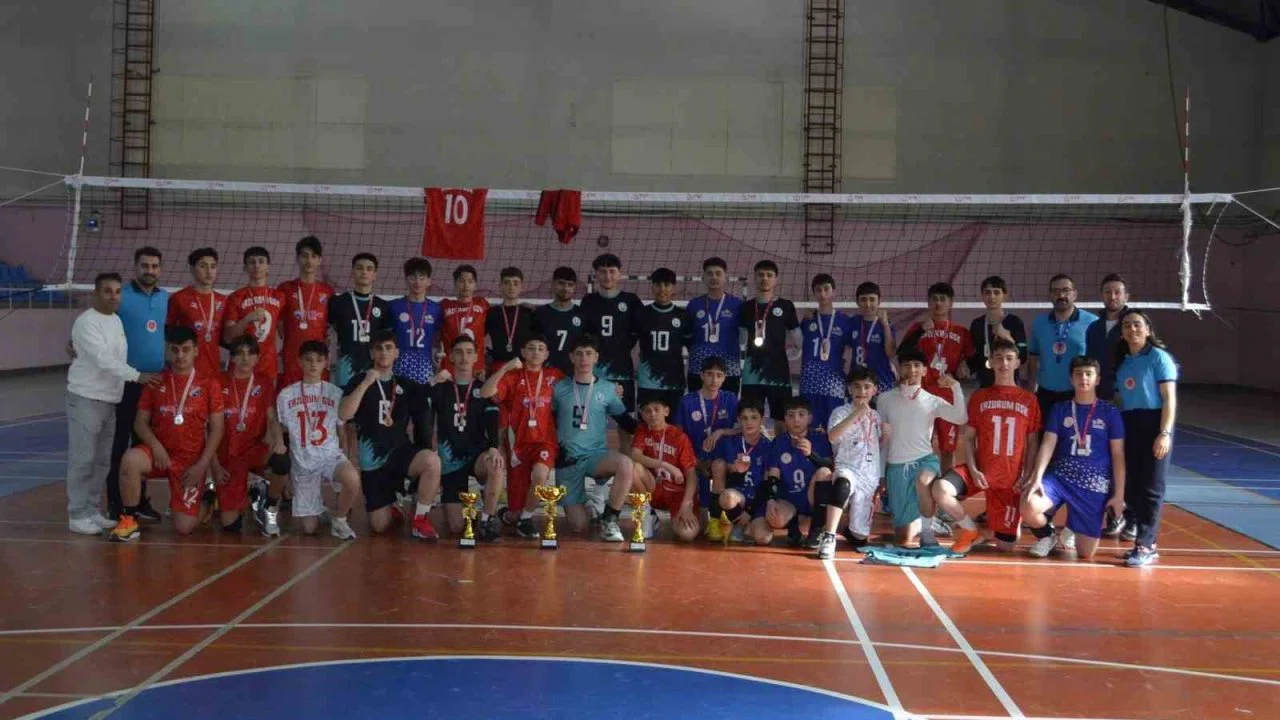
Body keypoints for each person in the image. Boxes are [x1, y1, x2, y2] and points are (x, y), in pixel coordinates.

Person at [110, 326, 224, 541]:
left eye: (186, 350)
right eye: (175, 350)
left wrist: (202, 466)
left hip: (190, 461)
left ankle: (207, 498)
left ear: (196, 351)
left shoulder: (209, 384)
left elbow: (217, 429)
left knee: (184, 527)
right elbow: (140, 423)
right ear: (167, 351)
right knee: (130, 460)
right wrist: (156, 447)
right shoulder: (156, 382)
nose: (180, 356)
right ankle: (129, 521)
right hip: (160, 454)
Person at [66, 273, 156, 535]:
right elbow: (103, 359)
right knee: (83, 459)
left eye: (117, 291)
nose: (113, 296)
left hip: (110, 400)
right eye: (107, 291)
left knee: (102, 460)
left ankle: (92, 509)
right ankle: (77, 513)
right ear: (96, 293)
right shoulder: (86, 322)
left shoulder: (116, 320)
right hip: (86, 398)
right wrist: (137, 375)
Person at [931, 339, 1040, 554]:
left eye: (1009, 358)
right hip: (981, 469)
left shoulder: (1029, 399)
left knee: (1006, 545)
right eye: (998, 358)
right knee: (940, 489)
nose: (1003, 363)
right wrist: (973, 469)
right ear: (990, 362)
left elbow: (1032, 442)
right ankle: (971, 531)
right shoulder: (980, 396)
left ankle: (1000, 525)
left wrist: (1026, 475)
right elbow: (969, 438)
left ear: (1017, 363)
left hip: (1011, 479)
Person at [338, 330, 443, 540]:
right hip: (372, 463)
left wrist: (439, 374)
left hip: (399, 453)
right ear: (371, 353)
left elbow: (428, 396)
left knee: (432, 461)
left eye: (388, 348)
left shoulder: (406, 384)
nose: (384, 352)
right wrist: (366, 383)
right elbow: (344, 414)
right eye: (378, 348)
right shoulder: (358, 380)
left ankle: (420, 520)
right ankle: (392, 503)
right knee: (379, 526)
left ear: (396, 353)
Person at [1021, 356, 1125, 561]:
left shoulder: (1110, 412)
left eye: (1089, 374)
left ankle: (1072, 526)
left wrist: (1119, 494)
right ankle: (1047, 536)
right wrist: (1037, 477)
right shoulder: (1060, 409)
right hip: (1061, 477)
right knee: (1028, 506)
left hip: (1093, 484)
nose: (1083, 378)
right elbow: (1047, 444)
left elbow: (1118, 455)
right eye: (1078, 374)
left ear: (1097, 379)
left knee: (1086, 553)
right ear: (1071, 379)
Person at [875, 348, 966, 547]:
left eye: (917, 365)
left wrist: (956, 387)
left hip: (925, 460)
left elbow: (960, 417)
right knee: (902, 538)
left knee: (923, 480)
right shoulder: (885, 399)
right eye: (907, 365)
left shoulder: (931, 400)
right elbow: (883, 441)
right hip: (896, 467)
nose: (912, 370)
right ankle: (927, 522)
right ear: (899, 369)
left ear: (925, 370)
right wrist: (881, 473)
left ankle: (927, 532)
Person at [551, 334, 638, 540]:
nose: (584, 359)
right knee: (578, 526)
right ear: (571, 357)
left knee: (625, 464)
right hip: (568, 459)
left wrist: (658, 430)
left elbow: (626, 422)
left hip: (596, 456)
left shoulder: (607, 389)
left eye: (588, 353)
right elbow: (549, 423)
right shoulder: (558, 388)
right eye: (579, 354)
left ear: (596, 357)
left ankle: (610, 518)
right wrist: (555, 450)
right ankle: (591, 507)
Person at [104, 247, 169, 521]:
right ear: (135, 266)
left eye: (154, 266)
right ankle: (116, 505)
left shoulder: (165, 298)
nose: (149, 271)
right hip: (127, 382)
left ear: (160, 269)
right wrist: (75, 343)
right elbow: (101, 324)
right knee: (120, 443)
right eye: (145, 265)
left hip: (155, 383)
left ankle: (139, 500)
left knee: (144, 445)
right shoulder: (122, 297)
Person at [480, 333, 564, 538]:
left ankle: (526, 519)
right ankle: (511, 516)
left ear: (547, 355)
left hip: (544, 442)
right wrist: (505, 368)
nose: (536, 352)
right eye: (531, 348)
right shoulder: (512, 377)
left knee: (540, 475)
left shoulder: (555, 376)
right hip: (517, 445)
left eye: (540, 349)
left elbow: (579, 387)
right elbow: (485, 393)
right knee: (514, 511)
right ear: (523, 352)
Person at [274, 341, 361, 539]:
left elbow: (342, 431)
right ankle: (319, 509)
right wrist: (279, 444)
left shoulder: (335, 393)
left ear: (326, 363)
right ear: (299, 362)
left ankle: (340, 521)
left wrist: (346, 457)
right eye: (308, 360)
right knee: (309, 528)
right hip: (303, 461)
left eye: (319, 360)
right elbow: (278, 425)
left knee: (352, 479)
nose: (313, 364)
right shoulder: (286, 395)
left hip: (330, 456)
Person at [1113, 309, 1177, 567]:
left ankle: (1146, 545)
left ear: (1148, 329)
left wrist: (1164, 433)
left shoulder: (1159, 357)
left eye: (1137, 324)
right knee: (1134, 487)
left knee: (1152, 487)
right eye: (1127, 325)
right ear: (1122, 332)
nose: (1132, 329)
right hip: (1130, 423)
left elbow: (1169, 398)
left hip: (1154, 423)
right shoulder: (1124, 362)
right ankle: (1143, 541)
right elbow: (1121, 399)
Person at [427, 336, 505, 541]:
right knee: (456, 527)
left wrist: (494, 448)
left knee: (496, 464)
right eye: (459, 352)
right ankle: (472, 506)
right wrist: (433, 381)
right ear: (451, 357)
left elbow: (493, 421)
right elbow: (420, 407)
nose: (464, 357)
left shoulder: (483, 388)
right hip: (451, 461)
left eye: (469, 352)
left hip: (477, 456)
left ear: (476, 357)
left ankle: (487, 519)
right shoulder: (442, 387)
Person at [214, 336, 289, 534]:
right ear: (231, 358)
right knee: (230, 525)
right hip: (227, 456)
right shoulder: (218, 382)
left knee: (282, 460)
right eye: (240, 354)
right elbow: (209, 428)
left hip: (254, 449)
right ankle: (253, 491)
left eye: (250, 354)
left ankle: (269, 506)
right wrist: (214, 466)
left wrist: (279, 441)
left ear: (257, 358)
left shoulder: (264, 382)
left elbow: (271, 418)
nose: (245, 359)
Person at [901, 282, 973, 473]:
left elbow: (974, 359)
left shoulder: (961, 331)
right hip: (922, 396)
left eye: (943, 299)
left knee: (948, 448)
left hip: (948, 398)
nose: (938, 303)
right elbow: (902, 353)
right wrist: (920, 332)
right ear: (928, 302)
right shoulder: (918, 327)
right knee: (919, 445)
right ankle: (919, 485)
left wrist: (964, 366)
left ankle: (945, 484)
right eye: (934, 299)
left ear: (951, 303)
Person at [816, 367, 886, 558]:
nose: (862, 391)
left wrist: (886, 437)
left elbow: (876, 447)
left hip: (869, 475)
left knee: (859, 538)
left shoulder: (877, 417)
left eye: (867, 387)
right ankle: (829, 537)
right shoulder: (840, 412)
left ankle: (840, 526)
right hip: (847, 466)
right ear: (849, 389)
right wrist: (856, 414)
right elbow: (832, 436)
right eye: (857, 386)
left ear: (874, 390)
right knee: (842, 485)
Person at [674, 356, 739, 541]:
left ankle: (719, 517)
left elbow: (744, 427)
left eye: (719, 375)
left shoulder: (730, 399)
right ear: (702, 375)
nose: (714, 380)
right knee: (695, 531)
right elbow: (678, 436)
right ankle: (701, 512)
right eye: (710, 374)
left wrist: (721, 431)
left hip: (721, 461)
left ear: (724, 378)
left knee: (719, 466)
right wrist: (692, 460)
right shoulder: (687, 401)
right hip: (694, 461)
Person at [759, 396, 834, 547]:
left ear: (810, 418)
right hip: (789, 499)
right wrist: (771, 499)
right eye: (791, 415)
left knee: (824, 472)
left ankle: (816, 531)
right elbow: (773, 473)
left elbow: (830, 467)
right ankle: (794, 529)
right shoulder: (779, 442)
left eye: (801, 414)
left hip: (812, 497)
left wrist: (811, 455)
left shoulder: (820, 438)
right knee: (775, 518)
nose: (796, 420)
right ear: (785, 419)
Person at [1027, 274, 1099, 426]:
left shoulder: (1092, 322)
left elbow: (1098, 361)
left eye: (1066, 290)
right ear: (1050, 295)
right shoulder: (1039, 323)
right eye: (1056, 291)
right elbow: (1033, 359)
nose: (1061, 295)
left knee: (1076, 436)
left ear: (1075, 294)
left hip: (1078, 393)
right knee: (1046, 435)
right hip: (1046, 394)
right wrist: (1030, 391)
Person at [580, 253, 642, 424]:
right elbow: (583, 336)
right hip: (594, 373)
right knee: (591, 421)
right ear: (596, 274)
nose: (607, 276)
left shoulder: (631, 301)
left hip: (622, 371)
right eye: (602, 271)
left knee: (625, 424)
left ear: (619, 274)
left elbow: (640, 332)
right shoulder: (589, 301)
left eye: (612, 271)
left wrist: (622, 347)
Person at [629, 396, 701, 542]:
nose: (652, 414)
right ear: (642, 415)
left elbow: (692, 475)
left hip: (677, 493)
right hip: (654, 488)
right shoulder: (642, 430)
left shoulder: (679, 436)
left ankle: (677, 518)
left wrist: (686, 504)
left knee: (688, 534)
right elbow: (635, 455)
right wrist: (666, 465)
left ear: (666, 411)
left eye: (657, 409)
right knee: (633, 468)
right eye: (647, 411)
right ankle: (648, 514)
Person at [739, 260, 801, 424]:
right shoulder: (746, 307)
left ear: (776, 279)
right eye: (760, 275)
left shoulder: (786, 306)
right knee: (751, 417)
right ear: (754, 278)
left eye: (769, 275)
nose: (764, 278)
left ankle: (781, 443)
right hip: (752, 374)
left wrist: (790, 354)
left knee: (781, 418)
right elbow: (741, 339)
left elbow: (798, 338)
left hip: (778, 373)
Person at [709, 400, 770, 542]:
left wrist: (750, 511)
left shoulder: (768, 446)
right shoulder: (729, 443)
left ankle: (747, 523)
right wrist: (734, 469)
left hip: (757, 499)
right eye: (744, 418)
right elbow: (713, 471)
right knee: (727, 493)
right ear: (738, 419)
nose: (749, 422)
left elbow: (767, 484)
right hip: (737, 497)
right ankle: (723, 519)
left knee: (763, 538)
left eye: (754, 418)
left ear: (762, 420)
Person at [329, 252, 393, 388]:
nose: (364, 272)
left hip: (373, 369)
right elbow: (327, 332)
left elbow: (387, 342)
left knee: (371, 401)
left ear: (375, 275)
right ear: (352, 272)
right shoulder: (338, 302)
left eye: (369, 269)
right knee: (346, 400)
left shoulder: (383, 306)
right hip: (345, 369)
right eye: (359, 268)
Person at [277, 236, 335, 387]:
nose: (309, 260)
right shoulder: (285, 288)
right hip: (292, 358)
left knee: (317, 398)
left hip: (317, 360)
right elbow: (279, 324)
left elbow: (330, 326)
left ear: (319, 260)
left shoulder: (327, 291)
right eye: (304, 255)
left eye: (314, 256)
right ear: (297, 258)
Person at [224, 246, 285, 386]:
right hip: (241, 366)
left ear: (268, 266)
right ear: (245, 268)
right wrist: (246, 320)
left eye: (261, 261)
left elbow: (285, 333)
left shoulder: (279, 297)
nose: (257, 266)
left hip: (268, 367)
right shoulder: (236, 297)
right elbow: (228, 337)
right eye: (252, 262)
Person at [800, 274, 854, 429]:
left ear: (834, 292)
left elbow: (857, 345)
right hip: (809, 383)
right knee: (808, 428)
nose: (823, 294)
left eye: (826, 289)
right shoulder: (808, 320)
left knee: (833, 427)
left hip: (834, 384)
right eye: (818, 290)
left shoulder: (844, 321)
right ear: (814, 293)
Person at [636, 268, 693, 414]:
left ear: (673, 287)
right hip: (648, 382)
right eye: (658, 285)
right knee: (648, 423)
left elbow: (691, 347)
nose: (662, 289)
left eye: (667, 285)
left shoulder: (682, 316)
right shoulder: (642, 314)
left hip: (674, 382)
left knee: (673, 424)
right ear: (652, 287)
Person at [167, 247, 227, 378]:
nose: (209, 271)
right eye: (203, 266)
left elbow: (226, 336)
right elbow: (168, 334)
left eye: (213, 266)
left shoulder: (223, 301)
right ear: (192, 269)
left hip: (213, 369)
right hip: (185, 369)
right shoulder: (179, 298)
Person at [686, 257, 743, 394]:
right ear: (703, 278)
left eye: (718, 273)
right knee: (697, 406)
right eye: (709, 274)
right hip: (698, 368)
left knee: (727, 406)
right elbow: (687, 336)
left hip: (729, 369)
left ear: (725, 277)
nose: (714, 277)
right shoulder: (694, 305)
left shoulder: (737, 305)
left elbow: (744, 335)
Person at [389, 257, 445, 386]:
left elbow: (438, 338)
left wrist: (437, 355)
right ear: (406, 280)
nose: (417, 282)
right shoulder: (394, 307)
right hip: (399, 367)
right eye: (412, 277)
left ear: (429, 281)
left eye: (422, 277)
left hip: (425, 368)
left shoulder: (436, 309)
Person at [966, 276, 1027, 389]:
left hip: (1009, 383)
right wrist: (965, 365)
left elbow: (1023, 356)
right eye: (987, 292)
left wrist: (1008, 339)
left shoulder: (1015, 322)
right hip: (983, 383)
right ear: (982, 296)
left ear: (1005, 296)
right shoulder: (977, 324)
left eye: (996, 292)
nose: (992, 296)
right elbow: (974, 356)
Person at [1087, 273, 1131, 403]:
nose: (1112, 297)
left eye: (1117, 292)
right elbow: (1090, 360)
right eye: (1108, 292)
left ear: (1126, 297)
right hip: (1097, 393)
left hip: (1126, 394)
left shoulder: (1134, 327)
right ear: (1102, 296)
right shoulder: (1093, 327)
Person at [484, 266, 536, 375]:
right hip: (498, 368)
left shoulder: (530, 313)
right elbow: (480, 338)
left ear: (521, 287)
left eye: (515, 283)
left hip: (524, 368)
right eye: (507, 283)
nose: (511, 287)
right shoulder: (491, 313)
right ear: (500, 286)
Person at [533, 266, 583, 376]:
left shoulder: (582, 314)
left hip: (573, 373)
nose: (565, 288)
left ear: (575, 287)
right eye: (561, 283)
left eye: (570, 285)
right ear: (553, 284)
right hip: (545, 372)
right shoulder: (540, 314)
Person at [440, 264, 489, 374]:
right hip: (450, 366)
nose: (466, 285)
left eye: (470, 281)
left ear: (475, 285)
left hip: (476, 367)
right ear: (455, 284)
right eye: (461, 281)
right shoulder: (445, 306)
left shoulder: (482, 304)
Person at [849, 282, 896, 393]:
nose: (868, 304)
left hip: (882, 381)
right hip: (859, 382)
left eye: (872, 299)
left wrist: (885, 325)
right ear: (857, 302)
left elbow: (891, 353)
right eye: (863, 300)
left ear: (879, 301)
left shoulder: (886, 325)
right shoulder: (852, 322)